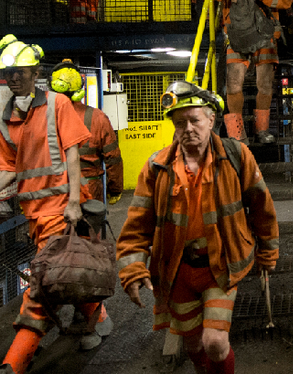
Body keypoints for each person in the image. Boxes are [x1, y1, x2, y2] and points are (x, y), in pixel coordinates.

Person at [116, 81, 279, 374]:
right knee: (193, 345)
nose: (188, 128)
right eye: (180, 122)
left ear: (211, 120)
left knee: (215, 342)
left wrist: (268, 252)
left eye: (195, 120)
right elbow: (136, 225)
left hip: (220, 266)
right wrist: (132, 269)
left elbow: (262, 207)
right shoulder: (157, 166)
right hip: (177, 270)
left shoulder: (236, 156)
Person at [0, 36, 112, 374]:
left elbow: (72, 152)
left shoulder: (57, 104)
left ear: (35, 72)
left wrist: (73, 200)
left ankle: (14, 363)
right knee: (68, 274)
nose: (14, 78)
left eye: (21, 72)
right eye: (9, 72)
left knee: (43, 284)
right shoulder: (3, 120)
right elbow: (8, 170)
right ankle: (95, 316)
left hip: (63, 209)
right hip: (35, 217)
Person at [203, 0, 293, 144]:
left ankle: (262, 130)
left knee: (265, 83)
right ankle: (237, 134)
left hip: (265, 33)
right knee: (234, 84)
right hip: (237, 33)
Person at [50, 59, 123, 204]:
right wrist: (115, 189)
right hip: (89, 189)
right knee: (90, 225)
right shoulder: (97, 117)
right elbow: (113, 157)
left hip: (55, 190)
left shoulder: (43, 117)